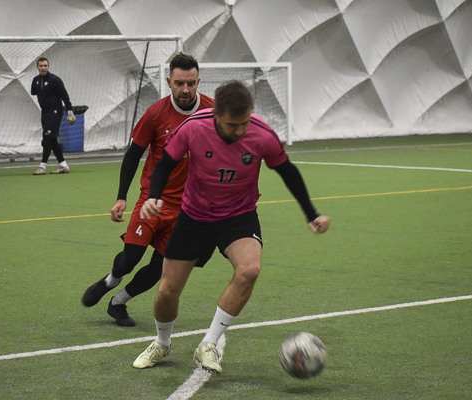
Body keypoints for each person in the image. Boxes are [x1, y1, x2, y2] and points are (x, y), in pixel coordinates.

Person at [132, 80, 330, 374]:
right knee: (167, 291)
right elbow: (164, 163)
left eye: (244, 123)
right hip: (194, 215)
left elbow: (287, 171)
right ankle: (162, 343)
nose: (240, 130)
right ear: (216, 115)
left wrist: (311, 214)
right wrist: (154, 196)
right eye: (232, 125)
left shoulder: (262, 134)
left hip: (239, 215)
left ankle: (209, 343)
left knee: (249, 270)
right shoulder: (193, 127)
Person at [81, 52, 214, 326]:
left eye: (191, 83)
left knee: (160, 267)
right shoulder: (155, 113)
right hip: (152, 201)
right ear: (168, 82)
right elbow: (133, 155)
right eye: (179, 83)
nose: (185, 89)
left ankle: (118, 303)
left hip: (186, 210)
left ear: (198, 82)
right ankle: (111, 279)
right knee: (130, 259)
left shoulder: (212, 111)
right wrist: (121, 197)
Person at [31, 57, 75, 175]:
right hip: (44, 112)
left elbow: (65, 96)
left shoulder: (55, 80)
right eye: (41, 66)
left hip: (55, 112)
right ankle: (64, 166)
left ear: (48, 67)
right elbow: (34, 92)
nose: (43, 68)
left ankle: (42, 167)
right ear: (37, 67)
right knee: (53, 139)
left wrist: (70, 112)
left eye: (45, 66)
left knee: (46, 139)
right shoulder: (35, 80)